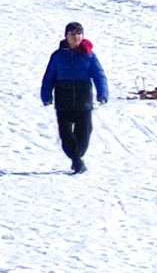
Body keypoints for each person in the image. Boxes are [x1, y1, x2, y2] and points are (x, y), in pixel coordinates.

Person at [40, 21, 110, 174]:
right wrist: (46, 95)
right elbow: (49, 77)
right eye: (72, 34)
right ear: (66, 36)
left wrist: (103, 94)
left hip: (83, 100)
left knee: (84, 133)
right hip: (63, 100)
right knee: (66, 136)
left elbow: (99, 75)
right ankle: (77, 161)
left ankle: (78, 159)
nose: (76, 37)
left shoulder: (89, 56)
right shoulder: (57, 56)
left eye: (79, 33)